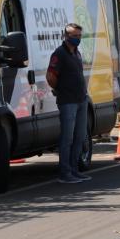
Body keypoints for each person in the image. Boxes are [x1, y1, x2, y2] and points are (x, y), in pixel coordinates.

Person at [46, 23, 91, 184]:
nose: (78, 38)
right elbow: (50, 76)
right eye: (74, 36)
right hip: (67, 102)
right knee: (67, 138)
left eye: (79, 35)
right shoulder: (59, 54)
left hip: (81, 100)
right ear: (66, 36)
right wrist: (60, 89)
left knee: (80, 136)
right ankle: (65, 173)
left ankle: (74, 170)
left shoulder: (76, 53)